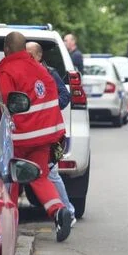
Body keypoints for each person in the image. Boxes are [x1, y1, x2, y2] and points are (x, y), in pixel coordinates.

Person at [0, 32, 73, 242]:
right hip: (45, 135)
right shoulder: (41, 69)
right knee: (39, 176)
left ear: (7, 50)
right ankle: (58, 210)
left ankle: (8, 223)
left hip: (21, 137)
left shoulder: (6, 69)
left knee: (11, 177)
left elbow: (4, 102)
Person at [26, 41, 76, 226]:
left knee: (52, 174)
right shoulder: (22, 73)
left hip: (48, 132)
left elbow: (65, 96)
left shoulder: (50, 73)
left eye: (30, 55)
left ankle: (68, 212)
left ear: (39, 56)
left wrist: (47, 109)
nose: (26, 59)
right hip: (27, 133)